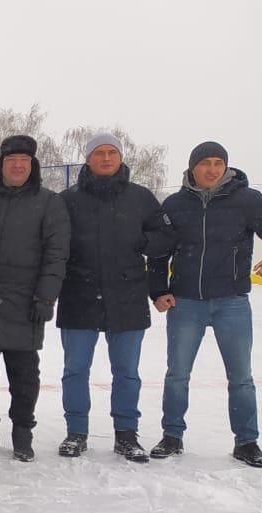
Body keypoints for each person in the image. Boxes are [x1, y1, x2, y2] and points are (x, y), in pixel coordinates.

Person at [148, 141, 262, 468]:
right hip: (186, 302)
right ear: (192, 168)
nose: (212, 169)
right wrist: (158, 291)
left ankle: (246, 441)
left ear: (226, 167)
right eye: (205, 163)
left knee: (241, 376)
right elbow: (159, 255)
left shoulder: (247, 200)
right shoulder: (174, 205)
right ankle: (172, 436)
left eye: (218, 163)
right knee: (177, 374)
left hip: (232, 303)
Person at [56, 133, 174, 462]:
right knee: (75, 370)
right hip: (79, 295)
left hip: (127, 295)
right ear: (88, 158)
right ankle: (76, 433)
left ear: (120, 158)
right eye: (99, 153)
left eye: (112, 153)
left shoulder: (141, 198)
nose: (106, 158)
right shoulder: (67, 200)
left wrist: (140, 242)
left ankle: (126, 434)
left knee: (127, 371)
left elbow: (164, 236)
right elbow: (52, 245)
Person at [0, 135, 70, 461]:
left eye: (24, 159)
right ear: (1, 164)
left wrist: (46, 296)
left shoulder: (49, 202)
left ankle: (22, 432)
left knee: (24, 372)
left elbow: (57, 254)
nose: (18, 164)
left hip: (25, 302)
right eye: (12, 159)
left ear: (32, 164)